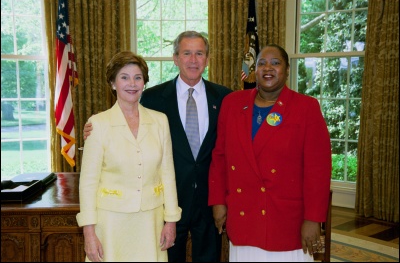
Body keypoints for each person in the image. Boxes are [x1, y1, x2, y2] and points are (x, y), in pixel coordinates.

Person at [83, 31, 232, 262]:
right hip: (161, 208)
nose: (193, 60)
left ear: (208, 58)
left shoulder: (224, 98)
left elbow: (232, 146)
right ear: (175, 58)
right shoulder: (152, 98)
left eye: (199, 53)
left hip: (208, 201)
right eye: (186, 53)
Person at [208, 44, 332, 262]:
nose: (268, 68)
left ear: (286, 69)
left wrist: (313, 219)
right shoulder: (232, 103)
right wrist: (218, 202)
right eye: (262, 63)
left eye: (276, 63)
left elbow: (318, 170)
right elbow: (220, 157)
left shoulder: (306, 108)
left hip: (286, 220)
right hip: (244, 214)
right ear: (254, 70)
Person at [76, 51, 182, 262]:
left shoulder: (160, 121)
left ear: (144, 82)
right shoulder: (98, 124)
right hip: (111, 223)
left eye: (138, 77)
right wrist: (89, 233)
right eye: (124, 77)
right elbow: (88, 183)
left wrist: (171, 221)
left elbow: (168, 175)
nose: (132, 83)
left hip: (151, 222)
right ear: (113, 83)